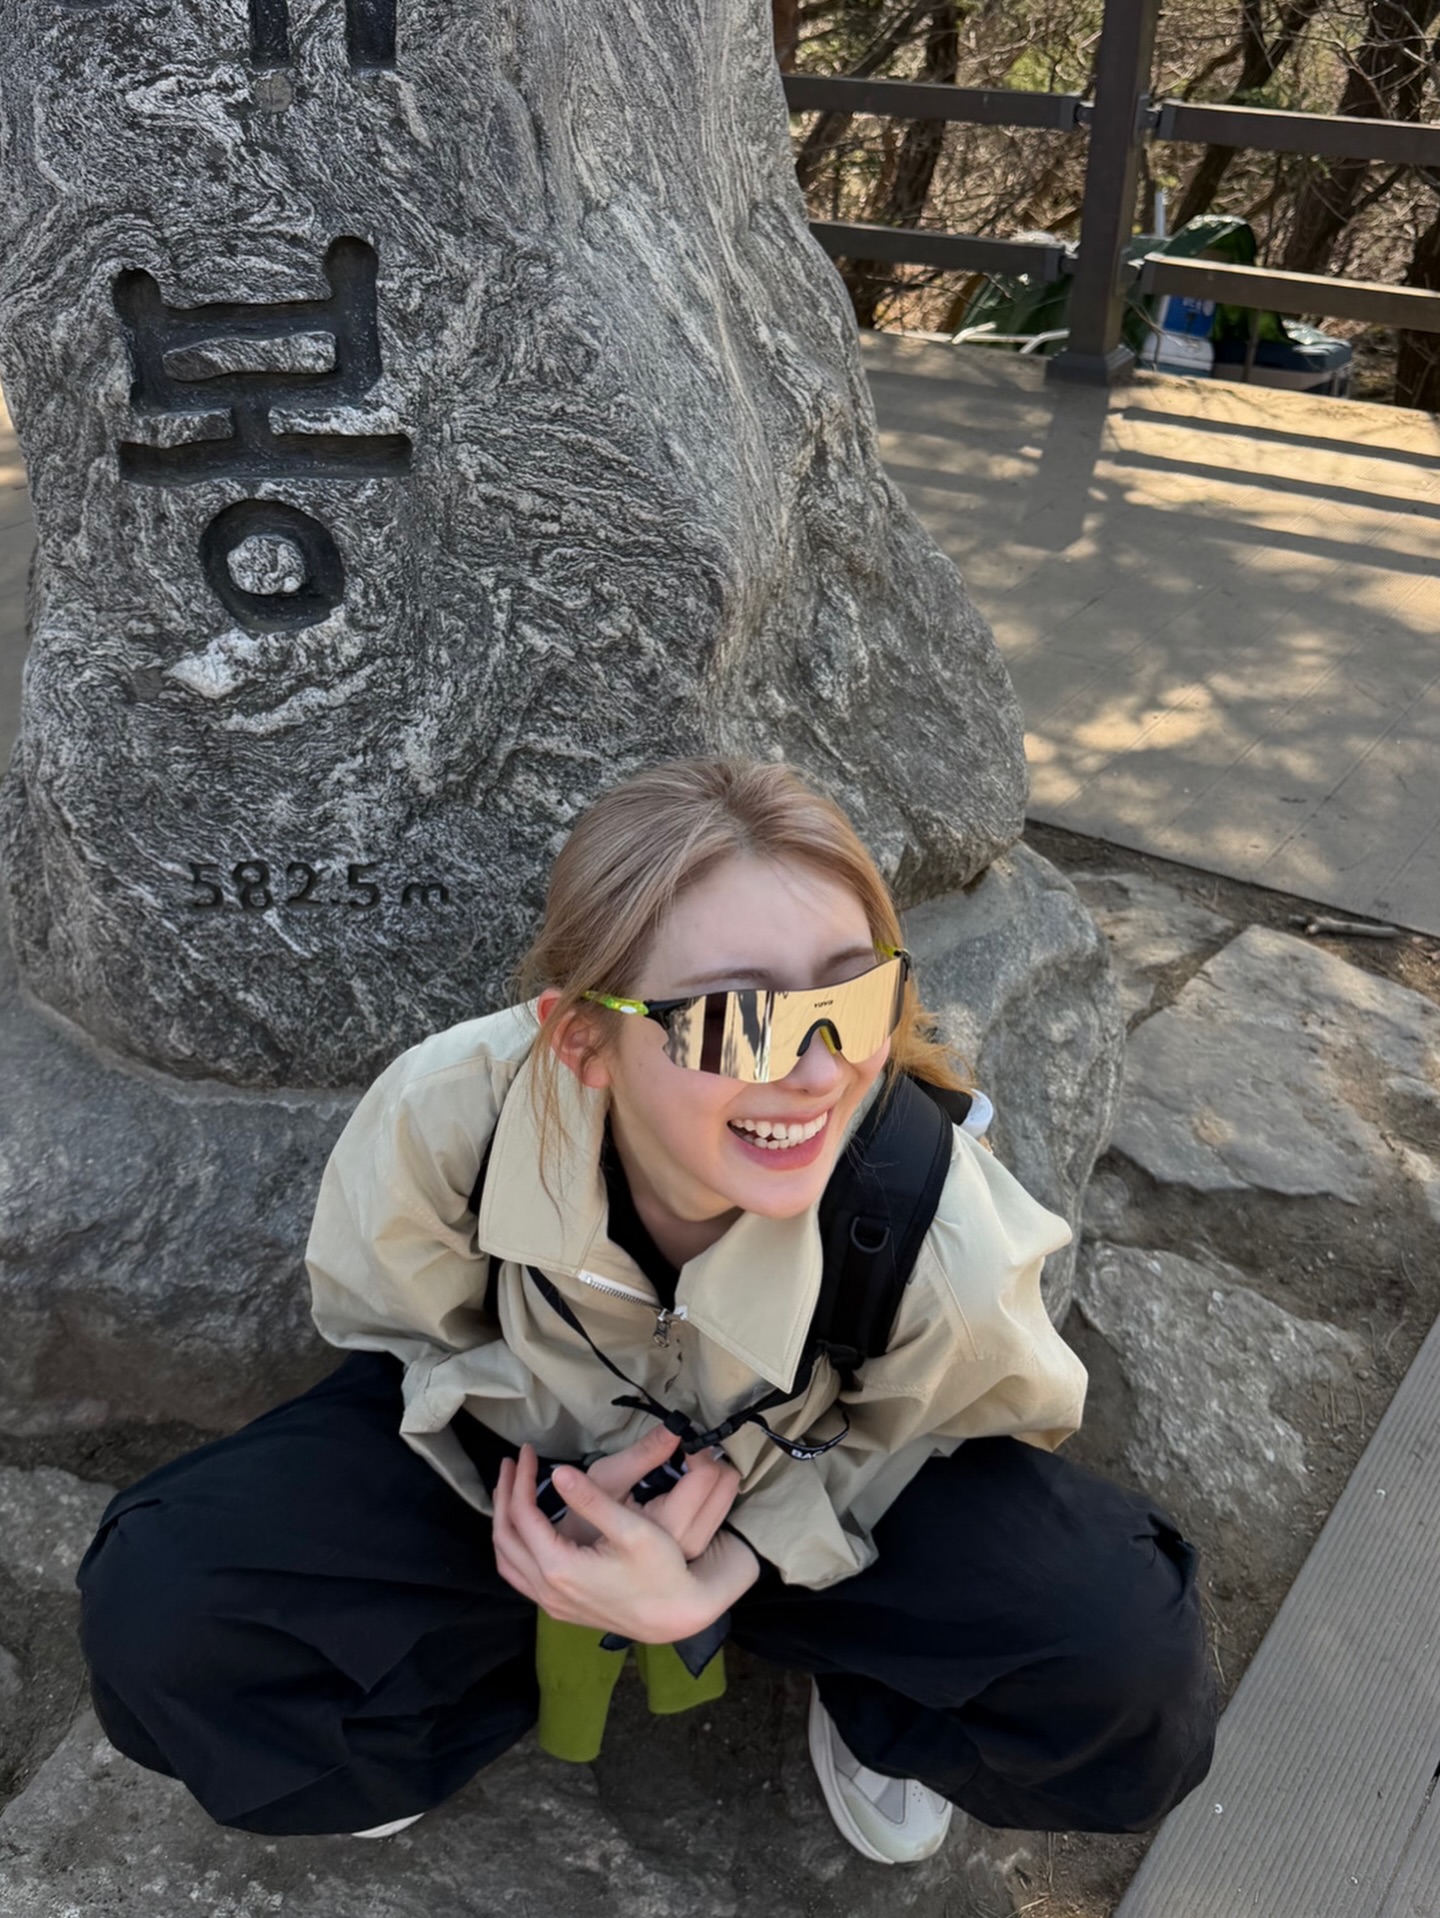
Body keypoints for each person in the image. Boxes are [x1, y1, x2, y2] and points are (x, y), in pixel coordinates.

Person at [77, 757, 1217, 1865]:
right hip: (519, 1472)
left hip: (816, 1517)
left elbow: (969, 1442)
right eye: (741, 1022)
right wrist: (567, 1506)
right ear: (585, 1039)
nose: (820, 1073)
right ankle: (468, 1688)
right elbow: (396, 1331)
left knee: (1125, 1670)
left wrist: (736, 1559)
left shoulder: (939, 1229)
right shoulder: (452, 1117)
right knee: (164, 1606)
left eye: (851, 997)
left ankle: (878, 1702)